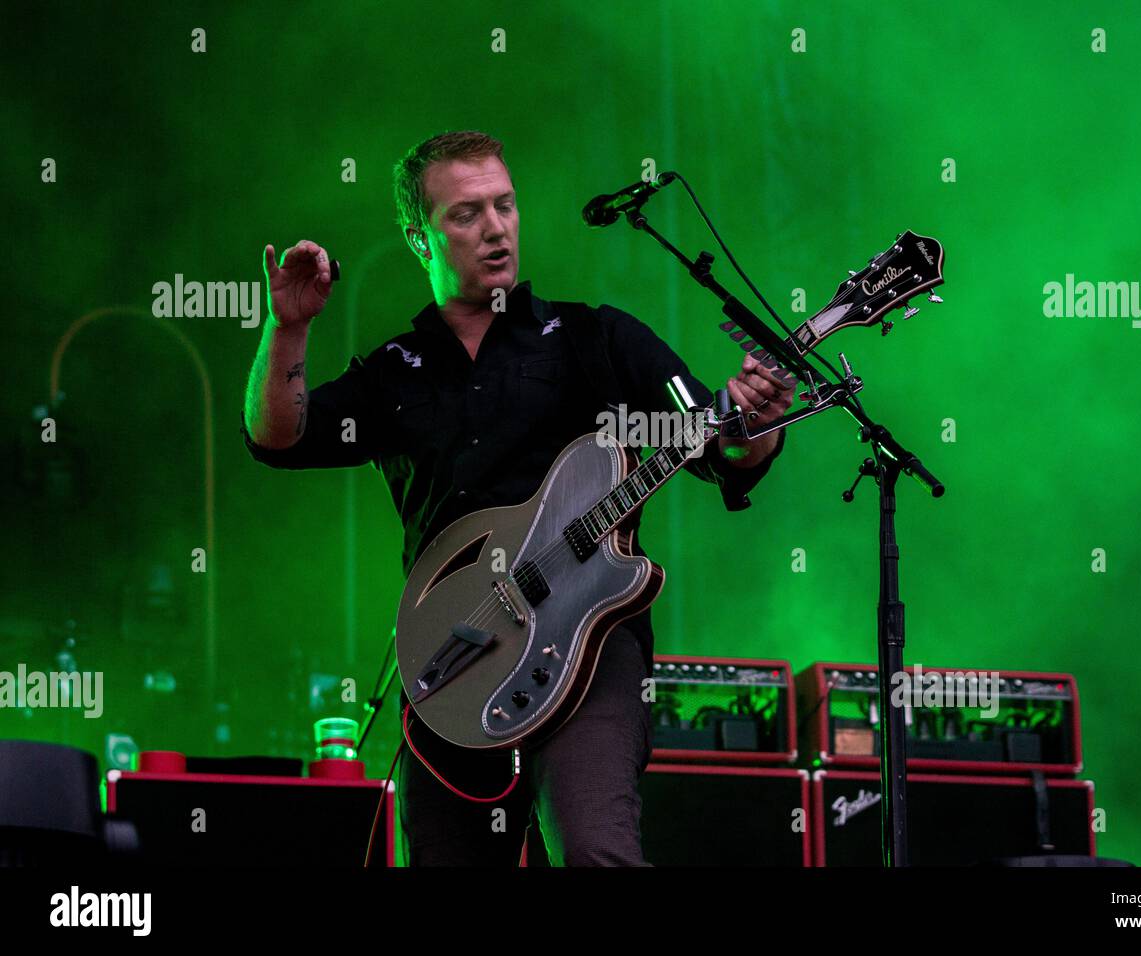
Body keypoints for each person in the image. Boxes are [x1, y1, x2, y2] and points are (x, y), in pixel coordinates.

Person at [241, 130, 792, 866]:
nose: (496, 227)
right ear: (418, 237)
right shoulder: (395, 373)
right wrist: (288, 327)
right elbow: (281, 439)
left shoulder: (597, 340)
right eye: (466, 214)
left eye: (505, 205)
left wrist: (753, 423)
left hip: (590, 645)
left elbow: (721, 452)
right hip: (455, 654)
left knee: (597, 851)